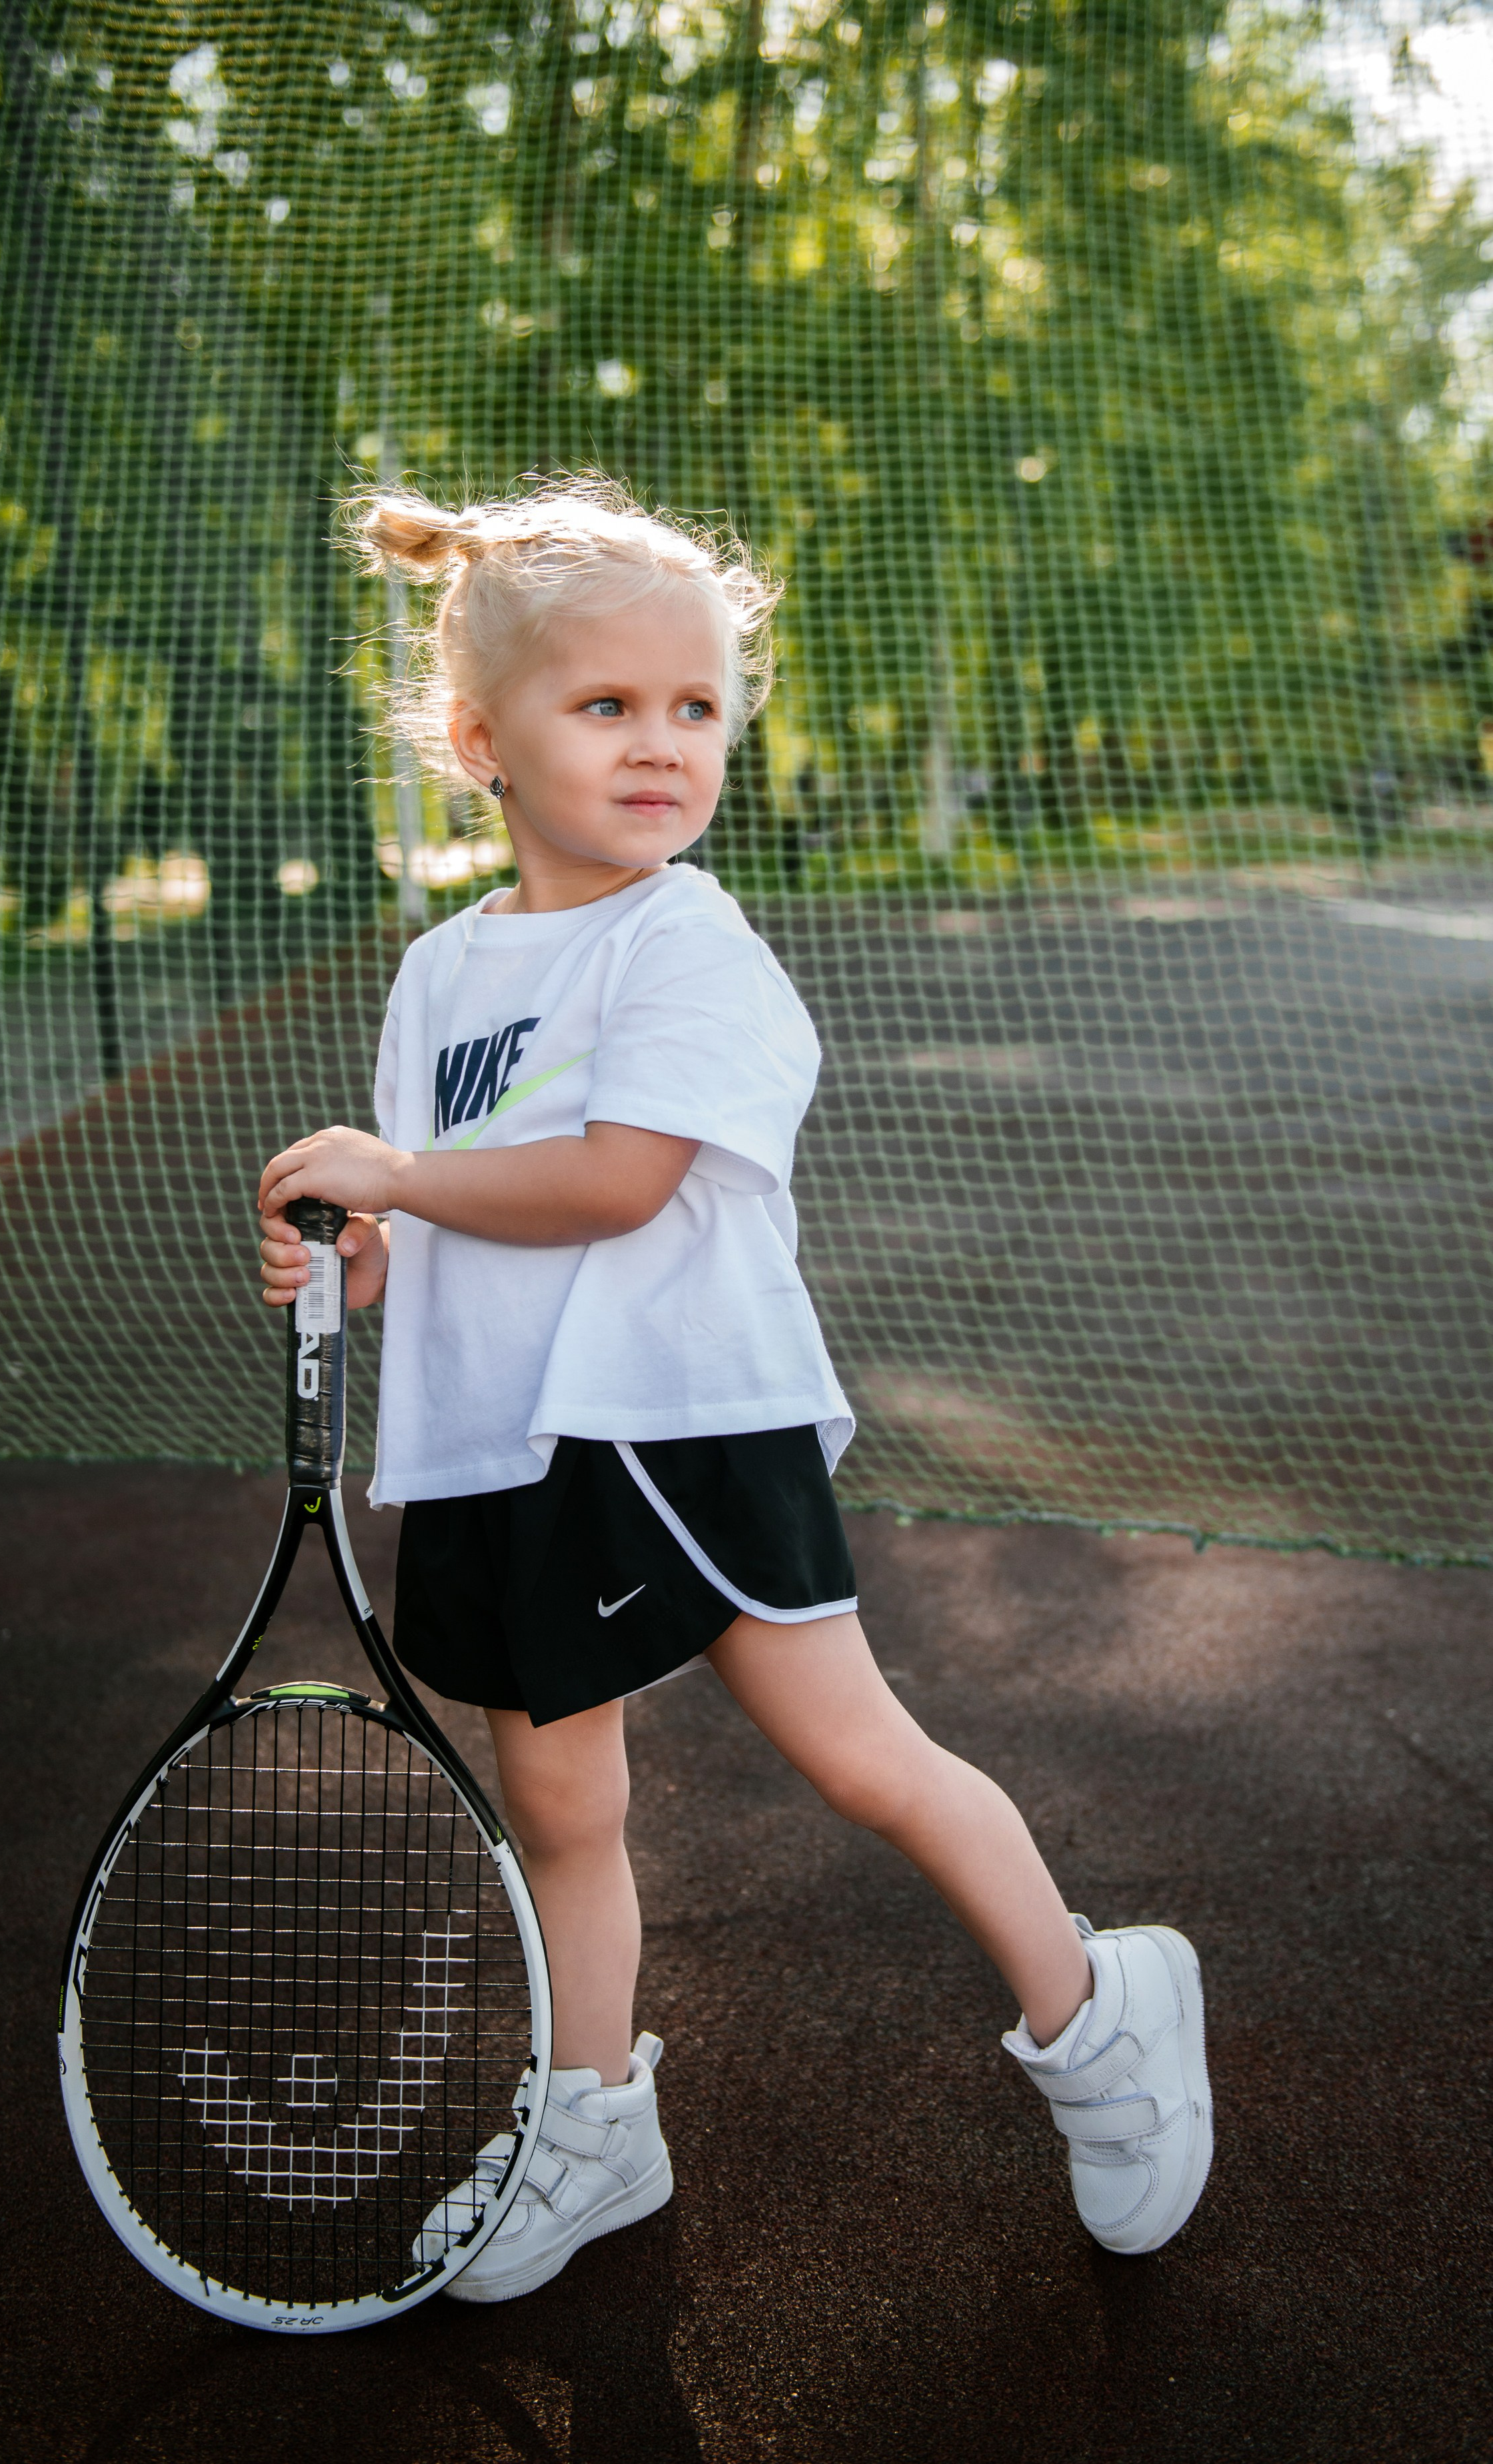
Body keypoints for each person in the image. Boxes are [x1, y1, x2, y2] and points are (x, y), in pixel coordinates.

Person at [255, 476, 1212, 2301]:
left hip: (677, 1418)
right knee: (562, 1815)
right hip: (497, 1448)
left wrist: (396, 1179)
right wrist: (352, 1253)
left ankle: (1098, 2009)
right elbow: (444, 1210)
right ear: (480, 739)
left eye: (693, 708)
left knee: (858, 1757)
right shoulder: (442, 968)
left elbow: (615, 1180)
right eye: (604, 705)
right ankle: (594, 2116)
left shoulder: (683, 941)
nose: (660, 745)